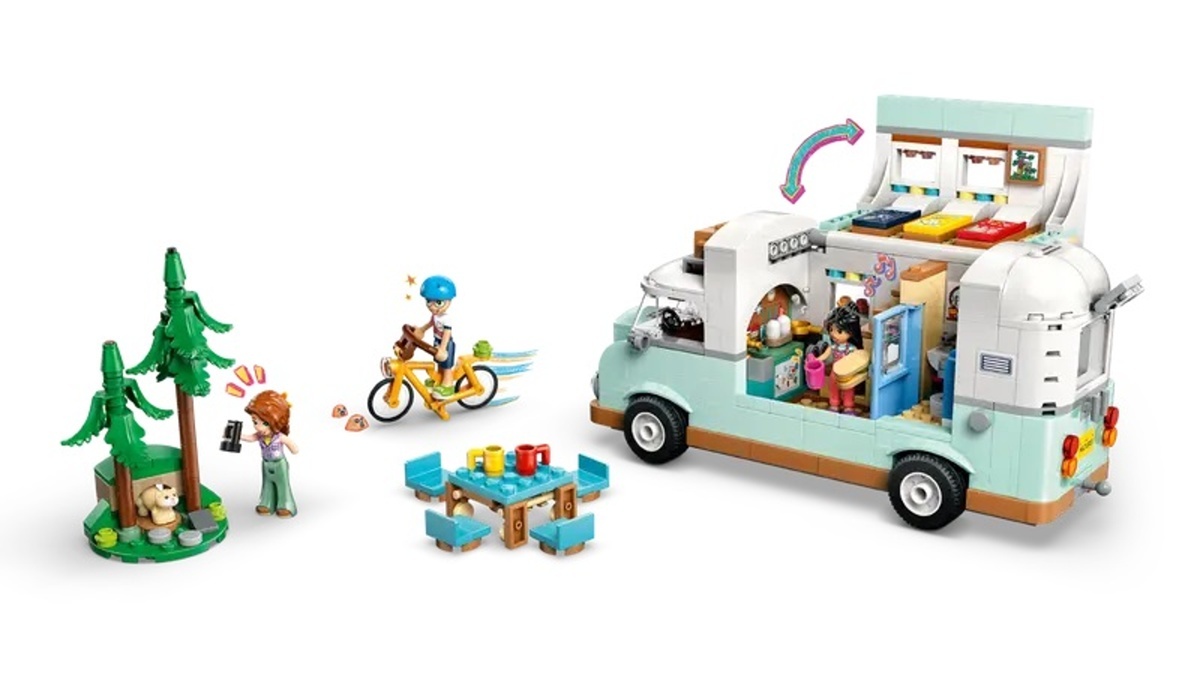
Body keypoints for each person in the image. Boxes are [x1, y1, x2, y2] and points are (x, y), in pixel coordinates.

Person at [241, 390, 299, 518]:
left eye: (265, 423)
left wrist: (293, 449)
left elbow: (294, 448)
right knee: (267, 484)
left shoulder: (280, 437)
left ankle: (286, 505)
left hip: (279, 464)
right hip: (266, 463)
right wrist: (236, 434)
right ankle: (267, 502)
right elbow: (250, 438)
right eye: (255, 422)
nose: (259, 427)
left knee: (283, 485)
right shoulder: (259, 436)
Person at [817, 304, 865, 414]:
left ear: (851, 332)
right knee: (833, 389)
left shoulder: (852, 348)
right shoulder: (833, 347)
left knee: (848, 390)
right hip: (834, 373)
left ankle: (848, 406)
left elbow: (858, 358)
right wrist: (817, 360)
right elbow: (825, 355)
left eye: (839, 331)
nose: (834, 335)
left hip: (848, 375)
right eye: (831, 330)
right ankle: (834, 404)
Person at [416, 275, 458, 399]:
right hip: (437, 341)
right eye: (428, 301)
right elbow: (430, 324)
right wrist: (421, 330)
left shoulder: (446, 318)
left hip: (446, 344)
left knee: (446, 365)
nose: (432, 306)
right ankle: (439, 378)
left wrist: (443, 348)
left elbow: (447, 333)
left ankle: (448, 385)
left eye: (438, 303)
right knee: (439, 362)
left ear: (449, 301)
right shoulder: (435, 316)